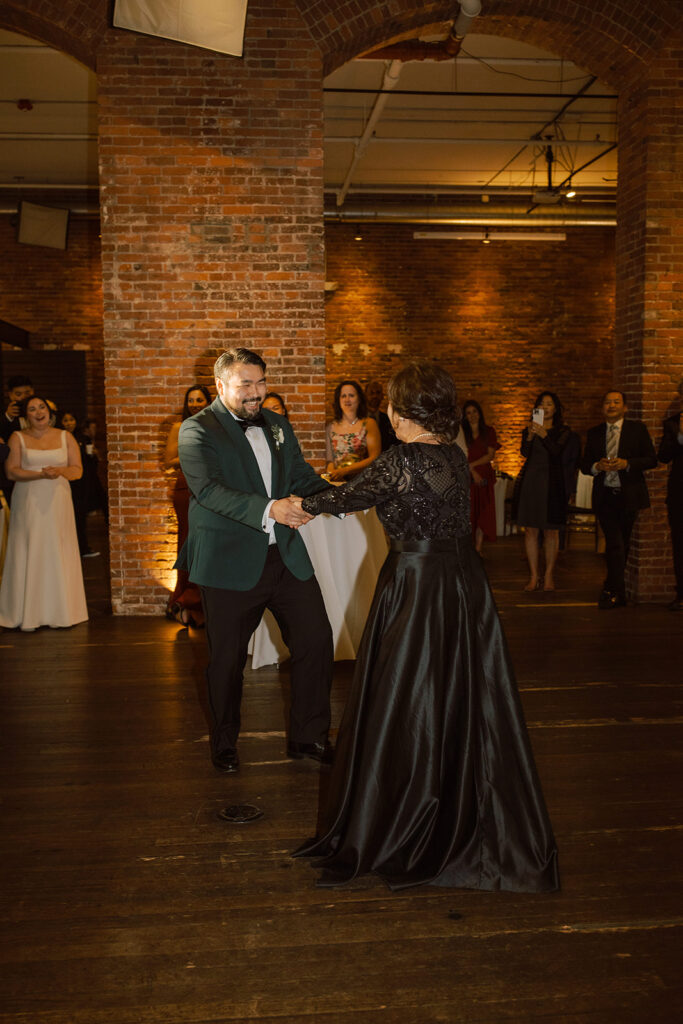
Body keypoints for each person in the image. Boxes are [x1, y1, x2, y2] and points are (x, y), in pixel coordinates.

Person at [292, 362, 558, 893]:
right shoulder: (453, 455)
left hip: (416, 587)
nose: (387, 410)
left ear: (400, 411)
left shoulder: (401, 460)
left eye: (390, 402)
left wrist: (292, 506)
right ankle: (456, 808)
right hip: (463, 584)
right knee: (459, 693)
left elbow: (343, 498)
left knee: (405, 697)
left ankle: (404, 819)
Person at [177, 347, 334, 774]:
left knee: (316, 642)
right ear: (221, 385)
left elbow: (299, 474)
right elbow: (209, 491)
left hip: (285, 557)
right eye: (245, 383)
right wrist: (272, 509)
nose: (256, 391)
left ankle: (309, 737)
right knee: (226, 661)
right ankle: (224, 742)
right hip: (228, 563)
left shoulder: (278, 425)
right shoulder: (196, 429)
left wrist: (339, 499)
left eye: (261, 381)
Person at [0, 396, 88, 631]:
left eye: (42, 408)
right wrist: (39, 474)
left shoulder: (65, 436)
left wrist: (59, 471)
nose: (39, 412)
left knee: (58, 547)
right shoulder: (17, 437)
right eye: (32, 409)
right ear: (26, 416)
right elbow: (11, 472)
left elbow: (77, 470)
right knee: (30, 547)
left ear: (50, 412)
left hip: (58, 499)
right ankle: (25, 612)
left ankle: (61, 610)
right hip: (28, 499)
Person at [581, 390, 657, 609]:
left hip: (629, 495)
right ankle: (615, 592)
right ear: (602, 407)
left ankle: (612, 587)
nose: (611, 405)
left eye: (616, 402)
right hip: (605, 495)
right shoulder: (595, 433)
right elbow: (585, 465)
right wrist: (597, 466)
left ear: (625, 407)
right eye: (607, 402)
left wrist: (627, 464)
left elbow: (651, 459)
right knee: (614, 544)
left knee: (623, 544)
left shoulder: (637, 429)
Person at [513, 391, 572, 592]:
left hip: (552, 483)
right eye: (541, 404)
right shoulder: (529, 429)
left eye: (549, 404)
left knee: (551, 530)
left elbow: (557, 452)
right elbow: (524, 453)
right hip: (531, 481)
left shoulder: (563, 431)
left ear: (555, 409)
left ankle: (548, 575)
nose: (545, 407)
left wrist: (543, 435)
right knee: (530, 530)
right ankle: (533, 576)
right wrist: (530, 435)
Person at [164, 385, 211, 626]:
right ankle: (185, 599)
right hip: (186, 489)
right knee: (188, 542)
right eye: (191, 400)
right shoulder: (178, 427)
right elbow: (169, 460)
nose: (195, 404)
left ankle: (205, 601)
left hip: (211, 489)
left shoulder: (216, 427)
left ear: (208, 402)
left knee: (209, 544)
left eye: (199, 400)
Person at [461, 399, 500, 554]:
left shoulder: (489, 431)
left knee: (483, 512)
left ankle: (478, 548)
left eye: (474, 412)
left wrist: (472, 465)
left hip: (484, 476)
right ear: (465, 416)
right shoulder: (462, 434)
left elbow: (490, 455)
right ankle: (469, 548)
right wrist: (471, 470)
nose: (472, 415)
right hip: (467, 477)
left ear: (480, 413)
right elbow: (461, 455)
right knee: (470, 512)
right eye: (468, 413)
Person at [657, 381, 683, 611]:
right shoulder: (672, 424)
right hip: (679, 493)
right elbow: (663, 456)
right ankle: (681, 593)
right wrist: (680, 437)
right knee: (680, 543)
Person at [60, 411, 99, 558]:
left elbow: (91, 463)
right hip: (64, 481)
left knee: (80, 516)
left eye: (71, 419)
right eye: (65, 420)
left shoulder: (83, 438)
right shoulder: (59, 439)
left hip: (81, 482)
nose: (69, 423)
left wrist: (92, 454)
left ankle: (82, 548)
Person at [326, 380, 381, 481]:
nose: (347, 399)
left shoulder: (369, 423)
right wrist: (331, 474)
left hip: (362, 481)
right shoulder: (330, 427)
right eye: (343, 396)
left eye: (351, 395)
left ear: (359, 399)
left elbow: (375, 458)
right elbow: (330, 461)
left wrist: (345, 470)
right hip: (338, 482)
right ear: (338, 400)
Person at [1, 375, 34, 505]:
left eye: (27, 393)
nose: (23, 397)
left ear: (33, 391)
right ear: (10, 395)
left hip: (36, 468)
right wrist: (8, 416)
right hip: (11, 474)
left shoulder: (42, 410)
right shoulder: (5, 413)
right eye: (18, 394)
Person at [365, 379, 397, 451]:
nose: (375, 396)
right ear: (365, 396)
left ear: (382, 396)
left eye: (378, 393)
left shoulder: (389, 420)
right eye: (371, 393)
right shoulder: (358, 419)